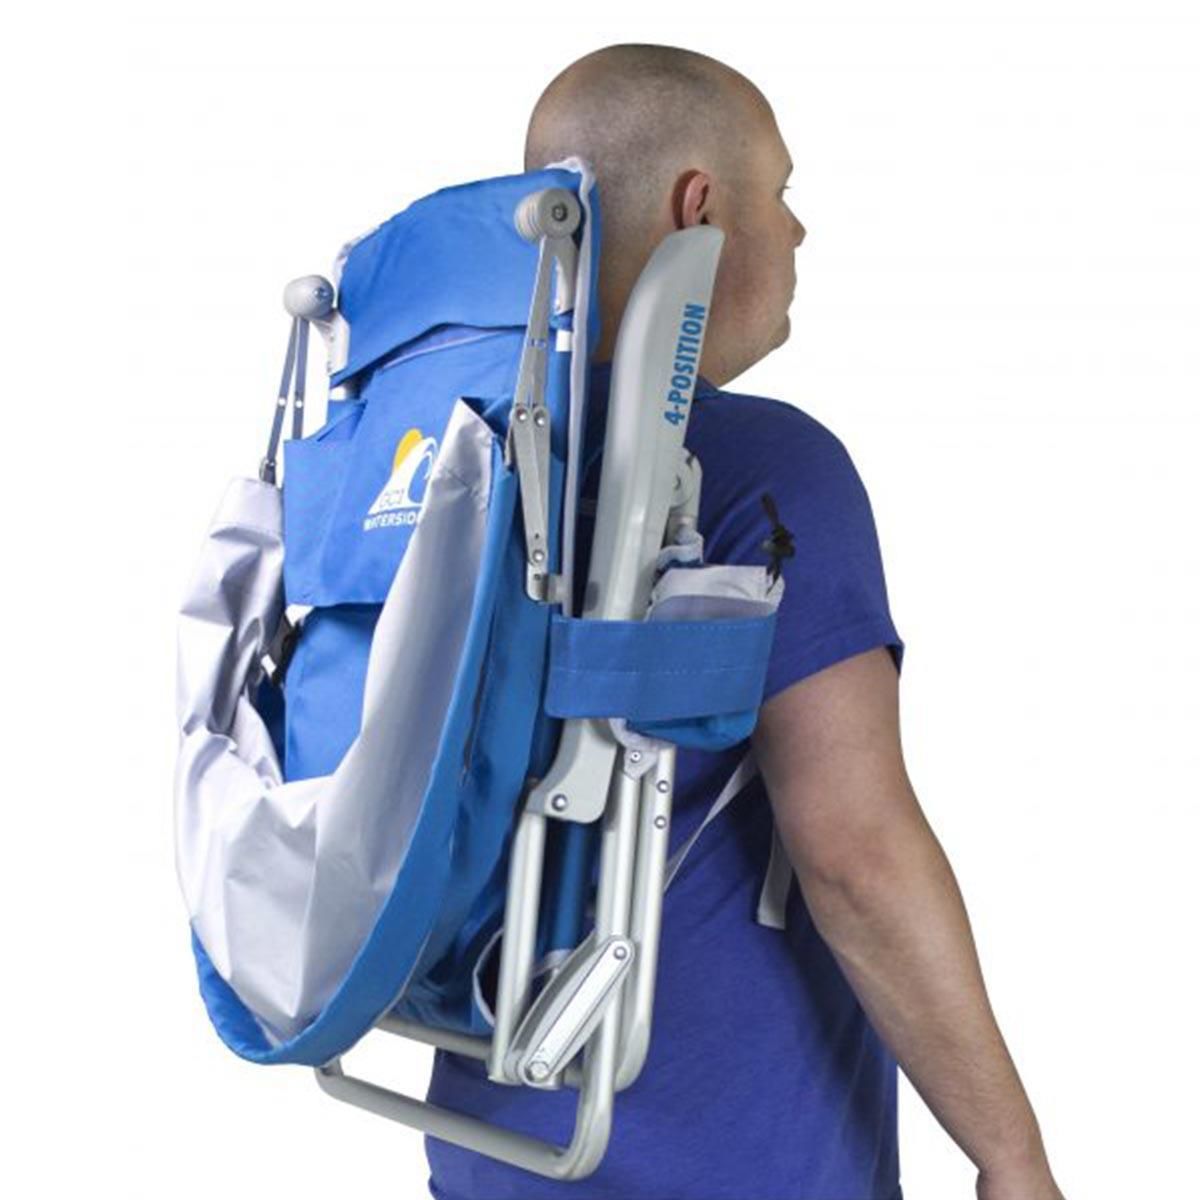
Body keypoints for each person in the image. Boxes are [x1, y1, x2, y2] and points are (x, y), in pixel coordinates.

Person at [424, 43, 1067, 1200]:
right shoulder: (767, 466)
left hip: (499, 1146)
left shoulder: (463, 469)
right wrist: (1011, 1158)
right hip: (736, 1168)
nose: (799, 230)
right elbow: (857, 856)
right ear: (701, 207)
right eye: (782, 191)